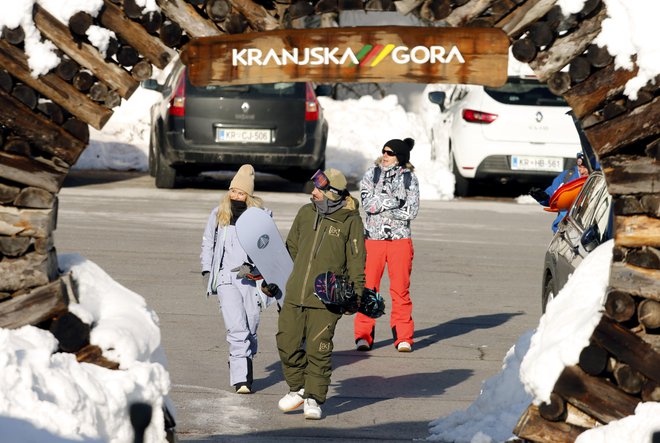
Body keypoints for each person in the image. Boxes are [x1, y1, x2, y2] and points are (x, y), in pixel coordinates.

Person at [276, 168, 366, 420]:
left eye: (318, 189)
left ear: (332, 194)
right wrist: (271, 279)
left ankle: (314, 397)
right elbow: (289, 249)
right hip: (294, 293)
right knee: (286, 343)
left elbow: (357, 261)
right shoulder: (305, 213)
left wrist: (356, 295)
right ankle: (299, 388)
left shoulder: (350, 221)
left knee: (319, 349)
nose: (313, 192)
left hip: (327, 298)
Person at [200, 164, 276, 394]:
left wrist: (255, 268)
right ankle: (241, 379)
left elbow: (269, 248)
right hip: (226, 278)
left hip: (250, 279)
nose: (235, 196)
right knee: (237, 329)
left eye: (240, 192)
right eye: (233, 191)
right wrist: (206, 271)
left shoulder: (261, 217)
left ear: (248, 195)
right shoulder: (218, 213)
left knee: (250, 327)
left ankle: (242, 360)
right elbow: (208, 243)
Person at [354, 138, 420, 353]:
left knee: (400, 290)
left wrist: (382, 203)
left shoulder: (410, 178)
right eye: (384, 151)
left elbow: (411, 211)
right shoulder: (371, 174)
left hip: (400, 242)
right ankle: (363, 335)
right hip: (373, 240)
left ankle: (403, 337)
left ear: (399, 156)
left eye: (390, 153)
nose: (385, 155)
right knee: (368, 288)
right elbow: (368, 205)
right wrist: (395, 201)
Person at [529, 152, 590, 233]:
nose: (582, 171)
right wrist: (544, 197)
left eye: (585, 168)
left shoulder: (599, 178)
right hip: (564, 227)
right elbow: (555, 193)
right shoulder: (569, 175)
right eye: (580, 167)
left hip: (588, 225)